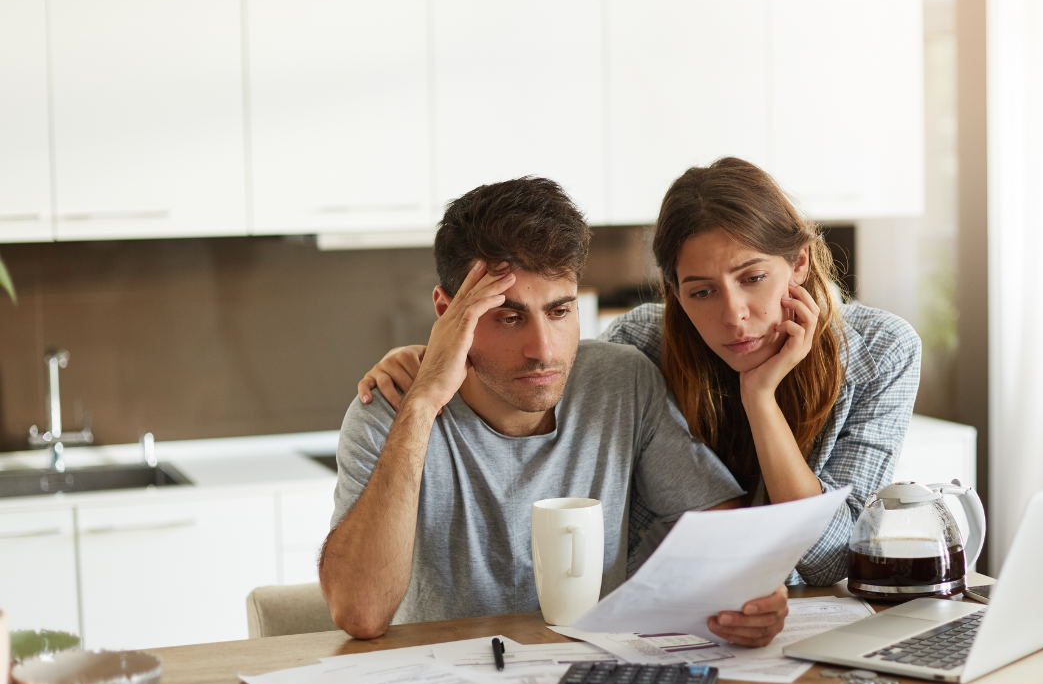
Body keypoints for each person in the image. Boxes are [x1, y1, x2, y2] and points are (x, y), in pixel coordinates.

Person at [359, 158, 922, 587]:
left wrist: (761, 399)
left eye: (753, 278)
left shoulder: (881, 353)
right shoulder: (645, 345)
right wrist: (431, 361)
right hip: (670, 619)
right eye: (700, 291)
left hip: (791, 618)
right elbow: (539, 374)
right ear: (674, 293)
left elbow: (828, 561)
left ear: (797, 262)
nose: (733, 316)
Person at [320, 175, 791, 646]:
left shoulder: (621, 383)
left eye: (560, 311)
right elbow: (360, 614)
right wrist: (422, 405)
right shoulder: (391, 410)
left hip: (592, 678)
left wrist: (750, 597)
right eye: (509, 317)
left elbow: (727, 535)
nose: (543, 350)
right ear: (447, 312)